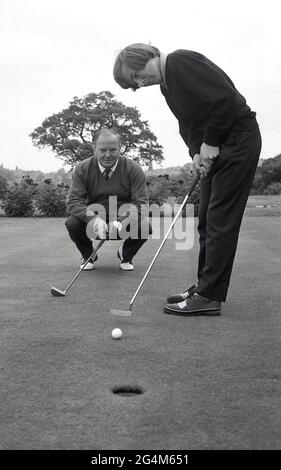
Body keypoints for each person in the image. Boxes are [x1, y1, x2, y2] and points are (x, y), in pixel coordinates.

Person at [113, 43, 262, 315]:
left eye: (137, 74)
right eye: (135, 82)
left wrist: (212, 141)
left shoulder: (180, 62)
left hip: (238, 141)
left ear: (146, 56)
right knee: (205, 219)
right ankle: (204, 285)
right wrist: (196, 151)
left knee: (219, 220)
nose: (140, 81)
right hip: (218, 147)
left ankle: (209, 297)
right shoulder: (167, 87)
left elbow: (224, 99)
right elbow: (188, 124)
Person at [65, 128, 152, 271]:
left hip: (122, 222)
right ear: (94, 148)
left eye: (112, 150)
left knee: (144, 227)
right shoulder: (82, 168)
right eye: (103, 150)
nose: (108, 155)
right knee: (72, 223)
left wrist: (120, 221)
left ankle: (125, 254)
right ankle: (89, 255)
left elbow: (141, 204)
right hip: (93, 222)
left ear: (120, 148)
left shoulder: (133, 168)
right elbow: (73, 202)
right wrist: (93, 219)